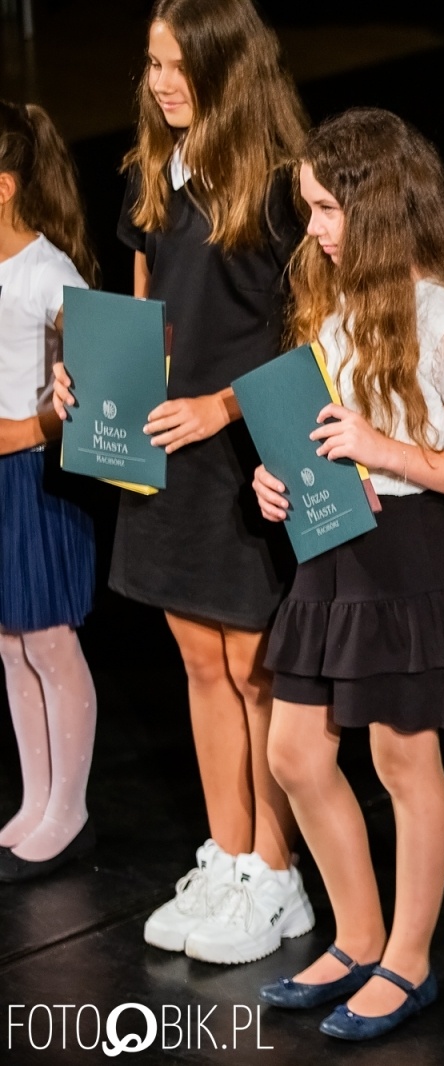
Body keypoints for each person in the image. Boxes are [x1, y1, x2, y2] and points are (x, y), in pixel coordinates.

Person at [252, 108, 444, 1042]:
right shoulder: (330, 301)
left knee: (403, 761)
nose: (316, 230)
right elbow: (320, 432)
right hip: (330, 553)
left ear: (374, 210)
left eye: (327, 210)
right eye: (312, 209)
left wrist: (384, 448)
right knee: (293, 753)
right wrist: (279, 476)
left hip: (406, 560)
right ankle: (357, 936)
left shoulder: (442, 317)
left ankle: (407, 960)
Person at [52, 0, 310, 962]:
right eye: (152, 64)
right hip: (164, 447)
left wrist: (223, 410)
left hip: (239, 456)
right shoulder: (153, 174)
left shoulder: (284, 189)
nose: (161, 84)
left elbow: (308, 341)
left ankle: (279, 878)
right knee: (201, 664)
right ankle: (231, 852)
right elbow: (144, 312)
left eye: (179, 67)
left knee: (255, 671)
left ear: (226, 71)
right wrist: (95, 373)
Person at [0, 100, 100, 883]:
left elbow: (97, 377)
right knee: (8, 642)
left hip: (33, 477)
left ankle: (69, 808)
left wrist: (27, 429)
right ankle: (36, 798)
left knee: (49, 639)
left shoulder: (45, 270)